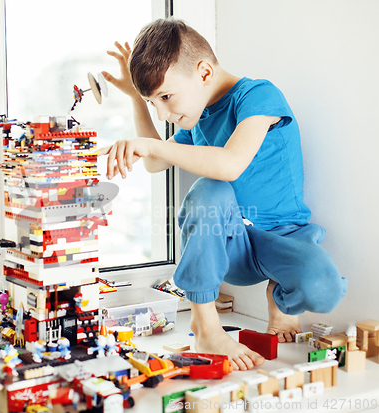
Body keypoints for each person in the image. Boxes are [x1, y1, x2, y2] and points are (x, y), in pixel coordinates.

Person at [98, 18, 347, 371]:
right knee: (209, 191)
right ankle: (205, 324)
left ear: (203, 73)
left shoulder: (258, 95)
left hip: (284, 237)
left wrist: (150, 143)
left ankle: (278, 296)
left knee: (325, 290)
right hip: (230, 246)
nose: (164, 114)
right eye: (155, 103)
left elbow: (230, 164)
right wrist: (136, 100)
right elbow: (154, 163)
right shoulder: (196, 117)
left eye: (166, 97)